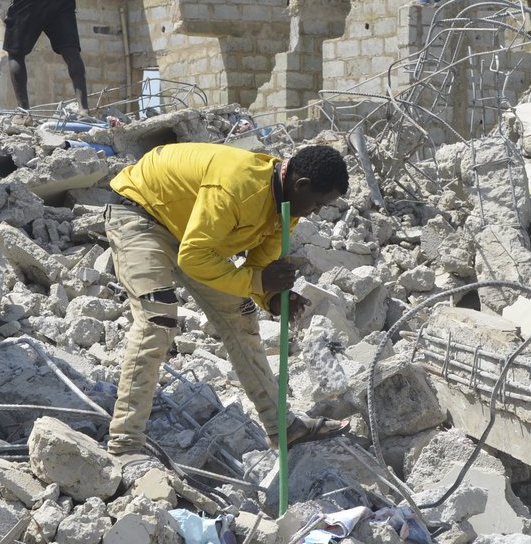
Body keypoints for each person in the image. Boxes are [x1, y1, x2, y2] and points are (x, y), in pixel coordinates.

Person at [103, 142, 352, 474]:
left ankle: (284, 428)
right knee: (157, 318)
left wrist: (273, 296)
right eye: (319, 204)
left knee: (242, 316)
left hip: (194, 234)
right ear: (301, 185)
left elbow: (260, 265)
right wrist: (260, 282)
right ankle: (125, 443)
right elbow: (194, 257)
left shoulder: (288, 206)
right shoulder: (238, 186)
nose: (316, 212)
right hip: (141, 214)